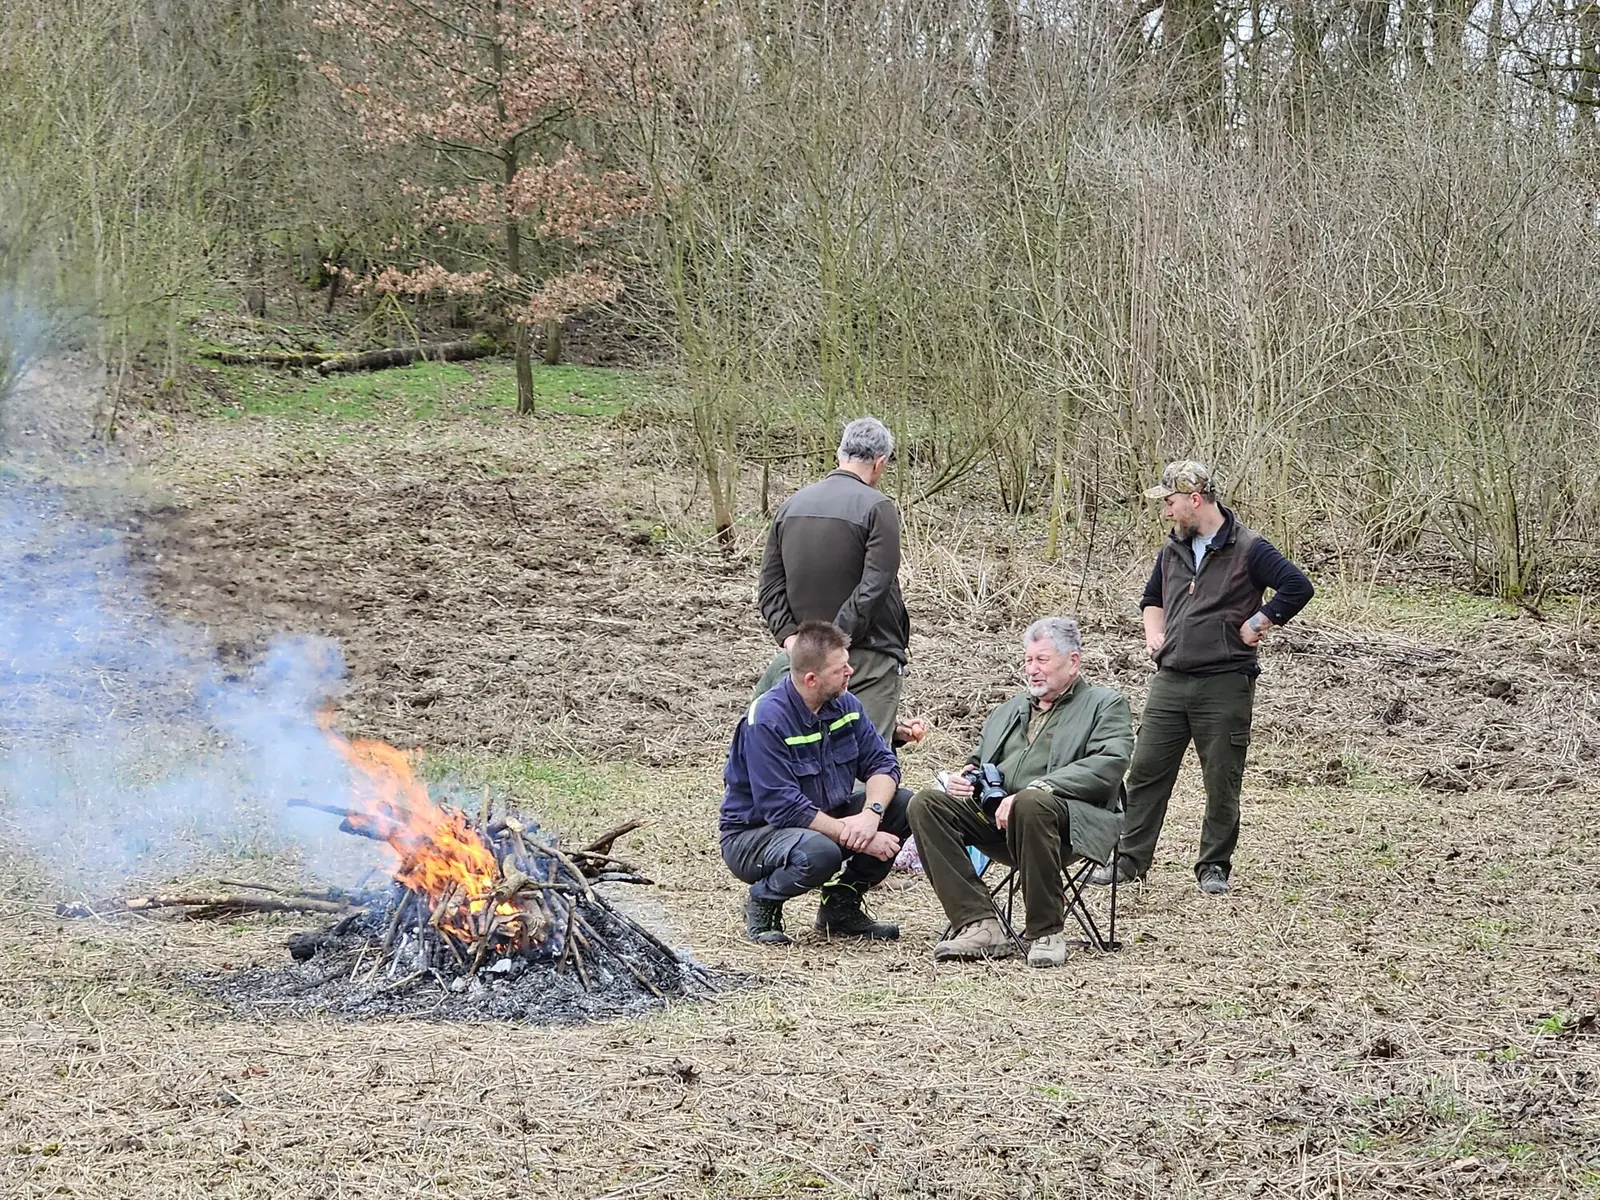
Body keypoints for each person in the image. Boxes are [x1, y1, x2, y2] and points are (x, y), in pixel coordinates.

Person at [1093, 460, 1314, 895]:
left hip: (1225, 682)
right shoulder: (1172, 548)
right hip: (1170, 680)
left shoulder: (1249, 548)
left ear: (1195, 500)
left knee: (1221, 780)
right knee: (1145, 773)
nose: (1166, 511)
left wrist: (1259, 622)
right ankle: (1129, 861)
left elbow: (1297, 587)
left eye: (1170, 503)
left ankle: (1213, 867)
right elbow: (1152, 598)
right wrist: (1154, 634)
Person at [907, 618, 1132, 969]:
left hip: (1069, 824)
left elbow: (1110, 764)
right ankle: (979, 923)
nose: (1032, 669)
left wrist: (1041, 787)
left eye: (1042, 660)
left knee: (1030, 801)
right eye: (1028, 660)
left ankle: (1046, 932)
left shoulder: (1104, 704)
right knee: (925, 804)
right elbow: (979, 761)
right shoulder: (1008, 711)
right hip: (999, 820)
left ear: (1073, 662)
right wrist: (965, 778)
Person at [721, 620, 912, 945]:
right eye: (840, 669)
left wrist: (872, 814)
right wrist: (857, 837)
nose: (850, 672)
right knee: (821, 852)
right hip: (755, 836)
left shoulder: (846, 705)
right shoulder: (767, 720)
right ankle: (763, 900)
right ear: (811, 679)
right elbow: (783, 807)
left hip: (823, 820)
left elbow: (882, 763)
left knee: (905, 805)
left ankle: (841, 905)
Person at [753, 416, 910, 741]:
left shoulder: (791, 505)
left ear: (840, 454)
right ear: (880, 463)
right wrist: (834, 642)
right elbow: (876, 585)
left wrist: (793, 639)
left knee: (799, 748)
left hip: (806, 657)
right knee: (868, 755)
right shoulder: (878, 508)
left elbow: (769, 587)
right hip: (870, 655)